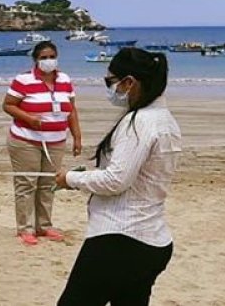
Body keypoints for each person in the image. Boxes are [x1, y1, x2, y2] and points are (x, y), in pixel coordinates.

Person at [55, 47, 182, 306]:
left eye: (109, 82)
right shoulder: (165, 120)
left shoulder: (140, 122)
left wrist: (71, 178)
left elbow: (116, 180)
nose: (109, 89)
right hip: (152, 240)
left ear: (129, 82)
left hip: (122, 239)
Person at [3, 40, 82, 245]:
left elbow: (71, 110)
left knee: (48, 183)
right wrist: (30, 119)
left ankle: (44, 226)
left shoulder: (64, 79)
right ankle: (25, 228)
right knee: (27, 183)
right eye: (43, 58)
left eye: (51, 57)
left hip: (56, 141)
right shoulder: (23, 79)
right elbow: (8, 105)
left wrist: (77, 136)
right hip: (26, 140)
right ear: (36, 60)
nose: (48, 61)